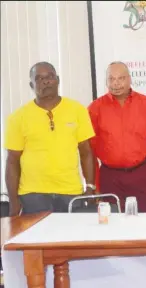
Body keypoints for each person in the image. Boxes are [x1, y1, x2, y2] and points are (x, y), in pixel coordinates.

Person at [4, 62, 96, 216]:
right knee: (37, 240)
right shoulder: (18, 117)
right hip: (33, 196)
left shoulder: (77, 110)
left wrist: (91, 186)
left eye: (50, 77)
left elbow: (86, 152)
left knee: (70, 239)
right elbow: (12, 161)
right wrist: (14, 201)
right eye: (39, 78)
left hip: (70, 192)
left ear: (58, 80)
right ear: (31, 85)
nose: (45, 81)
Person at [88, 61, 146, 213]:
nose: (116, 83)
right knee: (112, 228)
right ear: (106, 81)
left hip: (142, 175)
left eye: (121, 78)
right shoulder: (95, 108)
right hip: (110, 177)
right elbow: (90, 152)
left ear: (130, 79)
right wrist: (95, 185)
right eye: (111, 79)